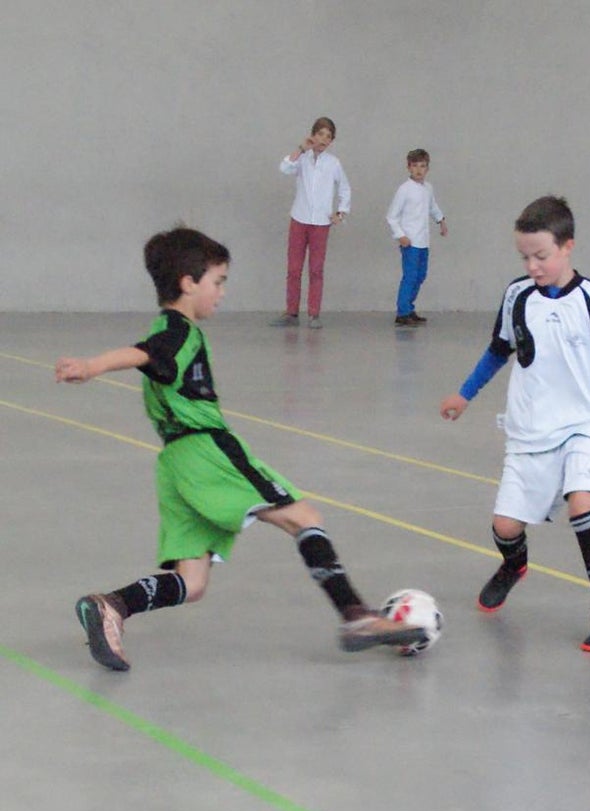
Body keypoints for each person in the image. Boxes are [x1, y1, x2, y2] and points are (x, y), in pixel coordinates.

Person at [57, 227, 424, 672]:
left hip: (175, 465)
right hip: (207, 449)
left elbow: (149, 356)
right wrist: (93, 366)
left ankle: (112, 605)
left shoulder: (168, 329)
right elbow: (142, 354)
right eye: (218, 281)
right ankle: (356, 617)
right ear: (188, 283)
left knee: (191, 582)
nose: (223, 292)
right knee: (304, 518)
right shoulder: (177, 332)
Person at [439, 196, 590, 652]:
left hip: (585, 425)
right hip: (529, 430)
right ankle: (514, 564)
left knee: (583, 505)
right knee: (504, 527)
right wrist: (465, 394)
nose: (533, 266)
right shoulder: (517, 296)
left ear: (567, 247)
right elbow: (499, 350)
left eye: (542, 256)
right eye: (525, 257)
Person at [271, 116, 351, 330]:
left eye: (328, 136)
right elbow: (284, 168)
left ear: (331, 141)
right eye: (320, 134)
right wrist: (300, 149)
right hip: (299, 219)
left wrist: (341, 213)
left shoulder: (333, 163)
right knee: (294, 268)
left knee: (316, 269)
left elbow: (344, 189)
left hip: (321, 223)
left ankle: (314, 313)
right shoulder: (302, 159)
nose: (323, 139)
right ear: (313, 135)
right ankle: (291, 312)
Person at [386, 148, 447, 326]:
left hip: (423, 241)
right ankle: (402, 311)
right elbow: (391, 216)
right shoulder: (404, 190)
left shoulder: (428, 188)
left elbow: (432, 206)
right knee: (410, 276)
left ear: (427, 168)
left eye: (423, 166)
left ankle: (409, 308)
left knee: (420, 275)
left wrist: (441, 220)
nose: (419, 170)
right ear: (409, 167)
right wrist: (400, 235)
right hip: (410, 242)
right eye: (415, 166)